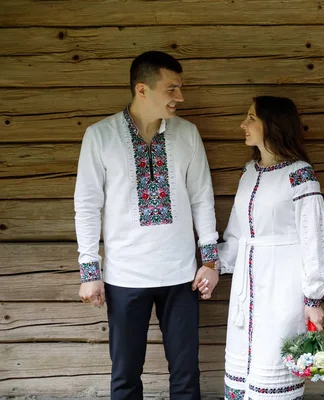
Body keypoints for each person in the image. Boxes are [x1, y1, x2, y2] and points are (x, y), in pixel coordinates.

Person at [74, 51, 219, 400]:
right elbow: (87, 205)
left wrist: (211, 262)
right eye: (172, 89)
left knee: (186, 375)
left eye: (180, 89)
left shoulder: (187, 134)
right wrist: (89, 271)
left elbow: (202, 198)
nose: (180, 97)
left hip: (181, 275)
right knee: (125, 375)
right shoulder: (100, 136)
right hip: (125, 276)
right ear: (142, 89)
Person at [218, 96, 324, 399]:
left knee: (273, 368)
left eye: (251, 117)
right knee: (244, 367)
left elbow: (315, 237)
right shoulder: (248, 173)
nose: (243, 124)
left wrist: (313, 297)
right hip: (246, 290)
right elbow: (236, 234)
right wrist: (211, 265)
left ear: (272, 124)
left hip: (283, 288)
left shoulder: (299, 174)